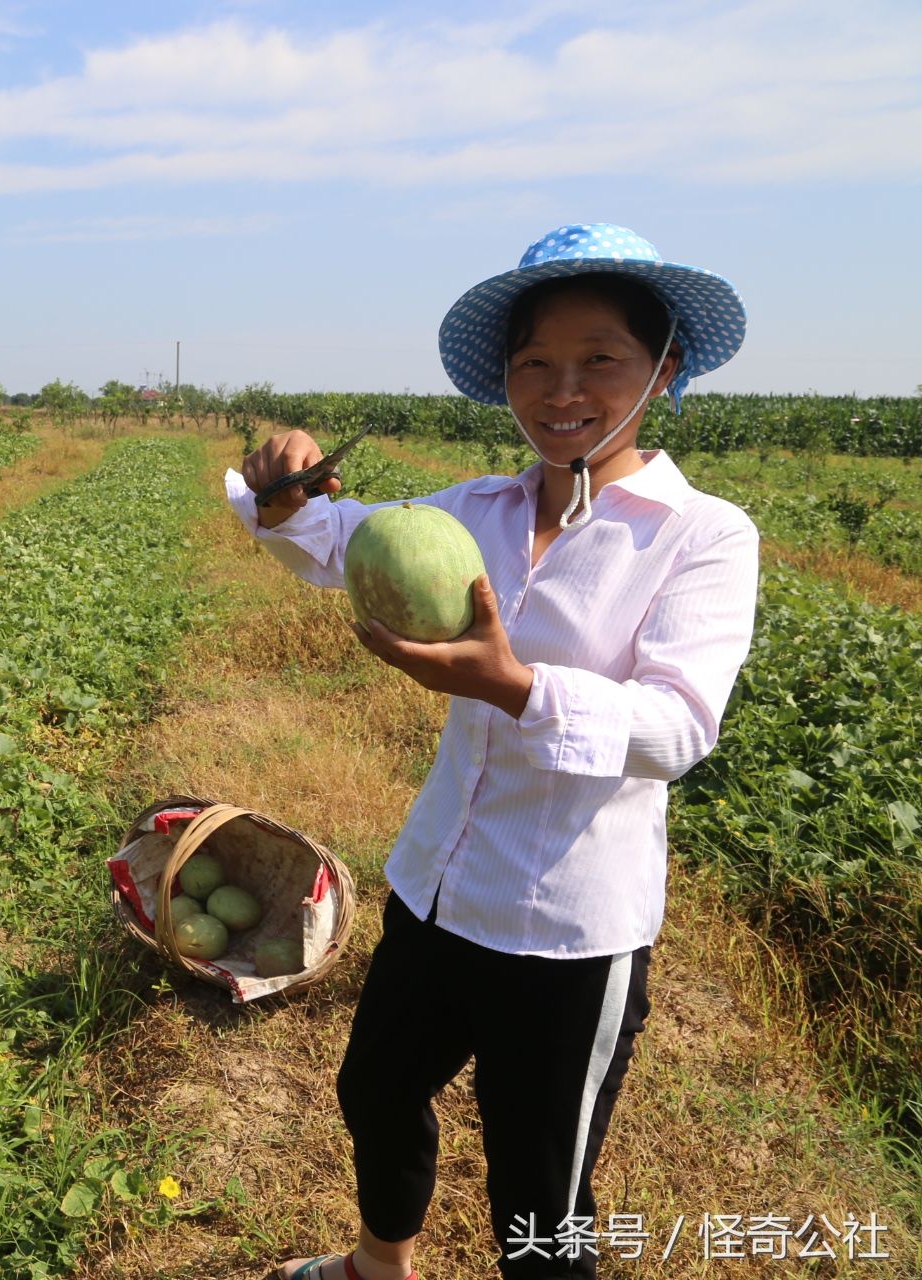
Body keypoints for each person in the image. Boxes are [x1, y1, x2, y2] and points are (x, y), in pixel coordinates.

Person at [224, 224, 761, 1280]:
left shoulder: (702, 535)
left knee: (538, 1196)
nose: (563, 387)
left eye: (599, 357)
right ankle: (381, 1263)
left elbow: (677, 726)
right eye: (533, 362)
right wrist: (281, 486)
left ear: (665, 368)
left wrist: (511, 687)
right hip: (439, 888)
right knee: (374, 1088)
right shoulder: (475, 509)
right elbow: (335, 538)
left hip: (570, 931)